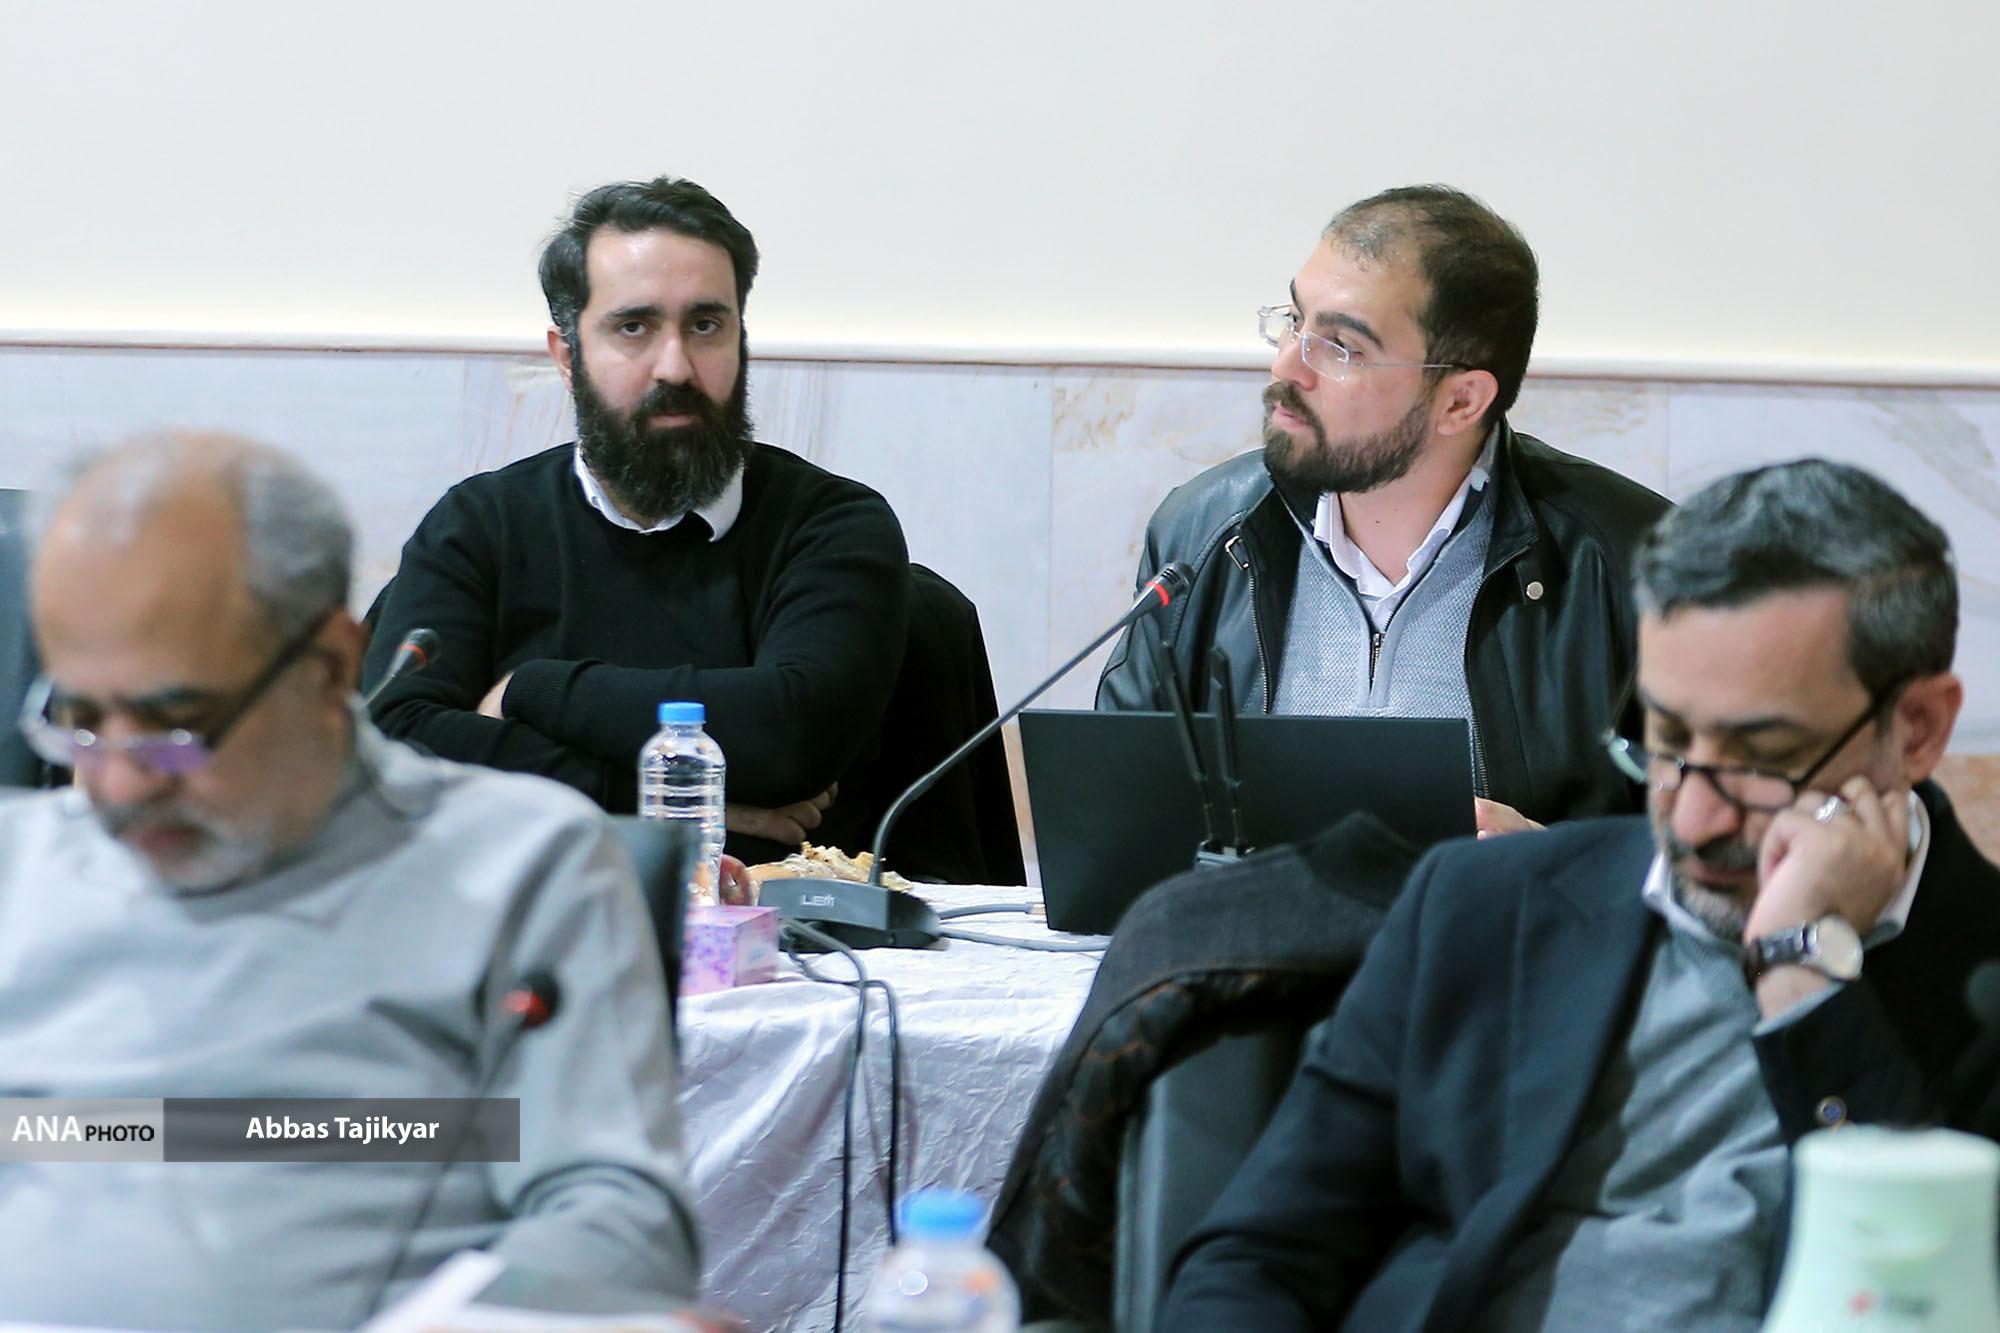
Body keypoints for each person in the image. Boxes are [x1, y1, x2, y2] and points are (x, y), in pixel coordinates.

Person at [1160, 458, 2000, 1330]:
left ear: (1917, 729)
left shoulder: (1981, 982)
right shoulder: (1486, 903)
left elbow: (1925, 1298)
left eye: (1762, 758)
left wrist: (1805, 984)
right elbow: (1254, 1257)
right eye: (1667, 742)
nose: (1696, 819)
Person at [0, 434, 698, 1328]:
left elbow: (622, 1220)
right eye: (80, 717)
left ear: (330, 665)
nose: (122, 784)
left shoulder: (516, 866)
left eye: (176, 722)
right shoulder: (21, 865)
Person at [365, 175, 910, 863]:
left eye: (705, 326)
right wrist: (664, 805)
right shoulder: (479, 525)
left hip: (783, 922)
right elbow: (393, 747)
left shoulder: (831, 524)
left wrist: (532, 689)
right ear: (568, 357)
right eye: (634, 327)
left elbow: (790, 734)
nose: (675, 367)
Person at [1097, 185, 1669, 832]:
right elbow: (1119, 820)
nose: (1287, 366)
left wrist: (1551, 863)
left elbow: (1728, 855)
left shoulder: (1634, 563)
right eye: (1295, 320)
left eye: (1342, 347)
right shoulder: (1204, 532)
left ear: (1460, 401)